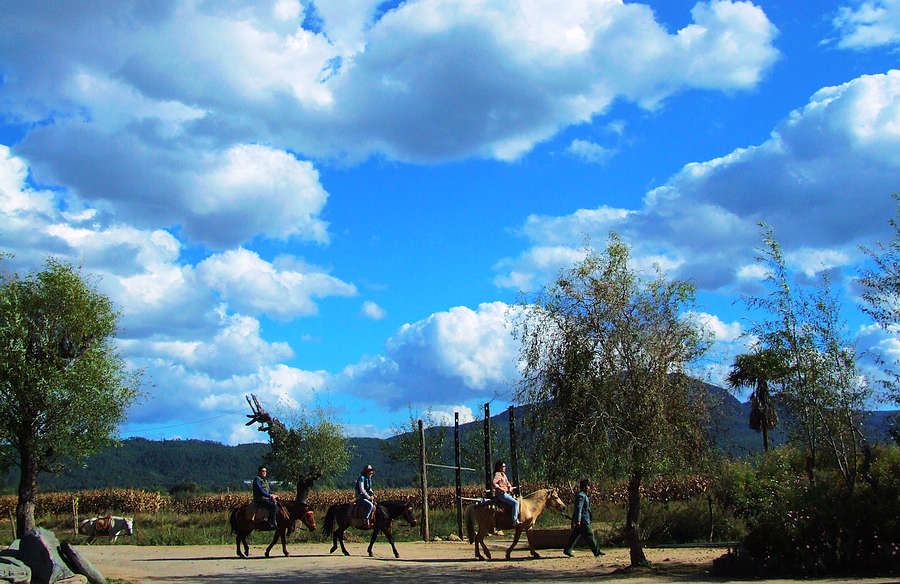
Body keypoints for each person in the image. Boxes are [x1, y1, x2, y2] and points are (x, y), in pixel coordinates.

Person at [563, 478, 603, 557]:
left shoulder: (583, 495)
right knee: (590, 535)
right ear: (585, 487)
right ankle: (597, 552)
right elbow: (579, 508)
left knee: (575, 535)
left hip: (583, 520)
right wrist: (578, 520)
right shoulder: (581, 496)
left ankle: (568, 550)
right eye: (588, 486)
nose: (589, 488)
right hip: (583, 520)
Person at [491, 460, 520, 526]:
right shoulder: (498, 474)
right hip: (501, 494)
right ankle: (514, 520)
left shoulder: (503, 475)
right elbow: (494, 483)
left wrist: (510, 487)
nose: (505, 467)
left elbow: (508, 483)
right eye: (503, 466)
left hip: (506, 493)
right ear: (500, 467)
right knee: (516, 503)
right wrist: (500, 488)